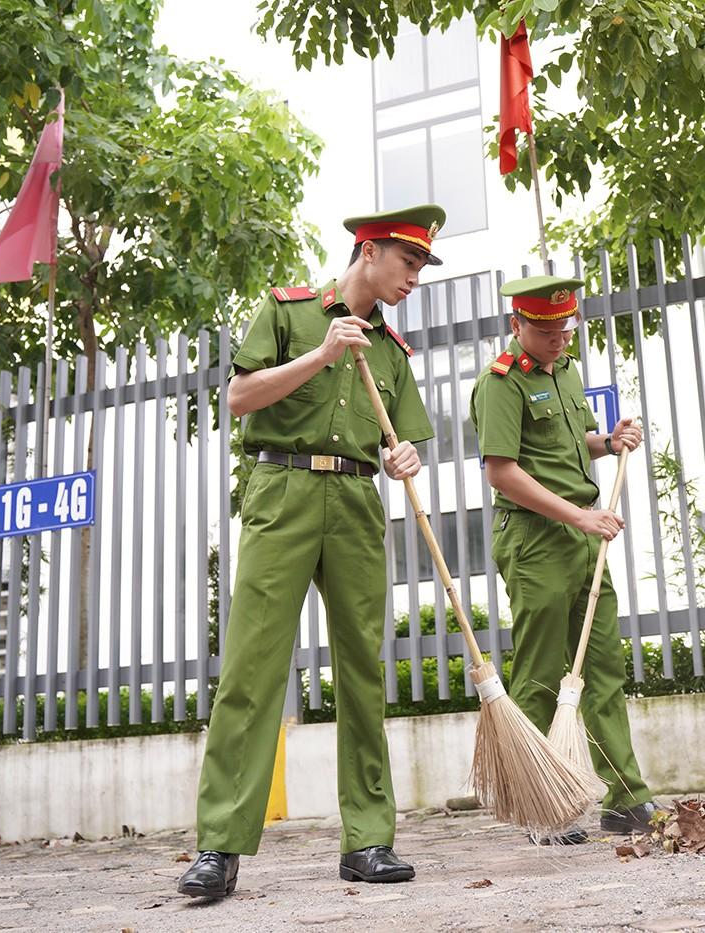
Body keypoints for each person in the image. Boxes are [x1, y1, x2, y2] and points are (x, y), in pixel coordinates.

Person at [177, 205, 441, 897]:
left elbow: (396, 443)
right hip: (282, 489)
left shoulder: (392, 352)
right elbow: (237, 397)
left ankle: (369, 839)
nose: (414, 277)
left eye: (419, 267)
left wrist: (403, 456)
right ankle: (219, 846)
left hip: (355, 502)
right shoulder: (289, 311)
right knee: (252, 667)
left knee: (362, 671)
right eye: (407, 262)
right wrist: (321, 354)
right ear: (369, 251)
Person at [468, 276, 656, 844]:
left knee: (600, 669)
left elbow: (568, 449)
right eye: (545, 330)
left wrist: (609, 441)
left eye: (564, 329)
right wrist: (577, 517)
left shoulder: (567, 371)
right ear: (516, 325)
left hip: (582, 535)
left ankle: (626, 798)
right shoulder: (499, 384)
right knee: (542, 673)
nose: (556, 340)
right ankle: (539, 807)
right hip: (534, 539)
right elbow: (503, 472)